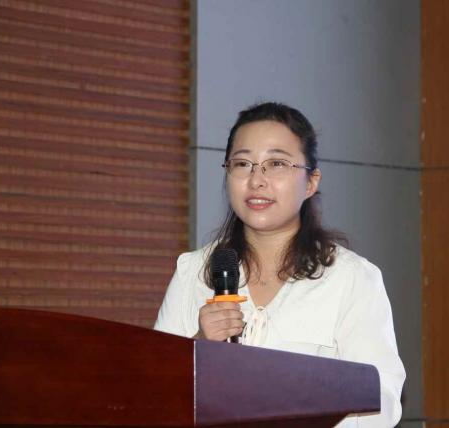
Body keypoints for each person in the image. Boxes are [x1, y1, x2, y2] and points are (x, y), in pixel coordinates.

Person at [154, 102, 405, 427]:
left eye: (276, 164)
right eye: (242, 163)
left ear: (311, 182)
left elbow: (381, 401)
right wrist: (198, 346)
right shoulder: (192, 272)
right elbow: (154, 395)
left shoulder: (352, 278)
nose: (257, 180)